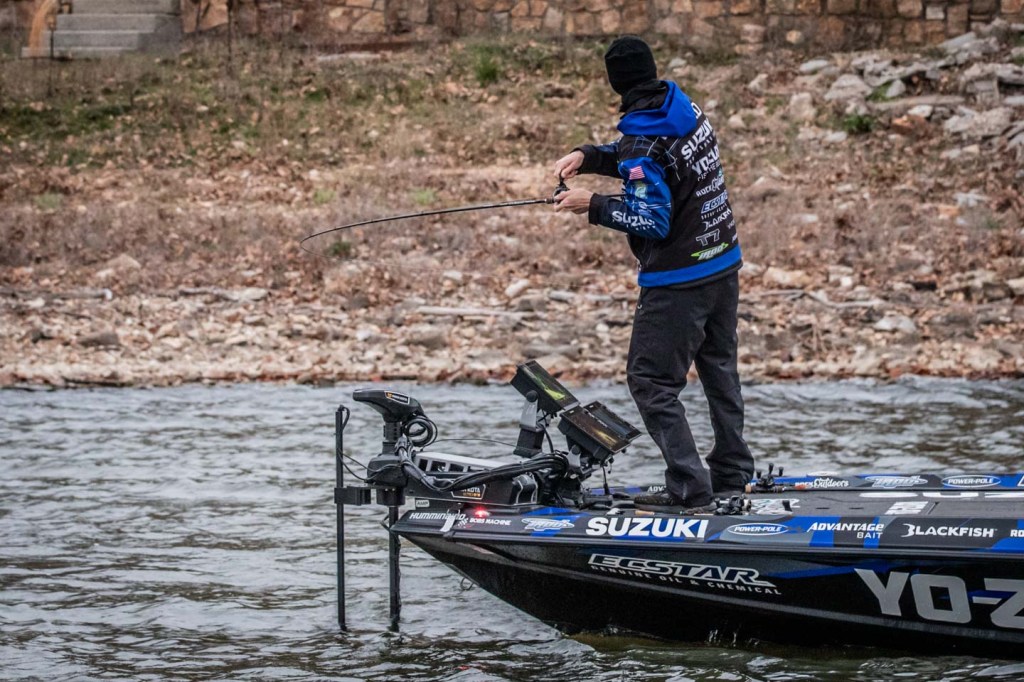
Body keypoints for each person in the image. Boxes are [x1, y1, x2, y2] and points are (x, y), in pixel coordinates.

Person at [552, 36, 753, 514]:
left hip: (678, 280)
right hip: (722, 261)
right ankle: (732, 473)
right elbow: (655, 160)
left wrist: (593, 204)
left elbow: (652, 220)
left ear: (615, 83)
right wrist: (591, 156)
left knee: (650, 382)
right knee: (719, 370)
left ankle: (690, 488)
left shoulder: (641, 141)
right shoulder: (684, 109)